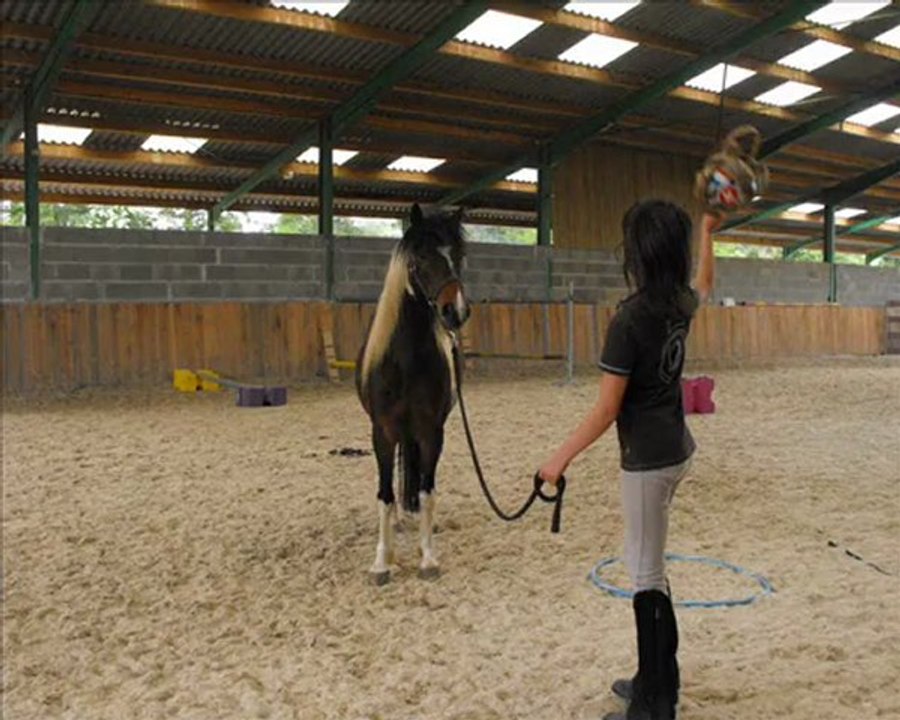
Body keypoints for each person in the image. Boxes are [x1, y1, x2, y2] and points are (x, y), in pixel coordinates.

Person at [538, 202, 721, 720]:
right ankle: (660, 677)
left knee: (645, 575)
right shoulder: (678, 302)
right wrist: (709, 232)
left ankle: (653, 704)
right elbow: (705, 282)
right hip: (676, 450)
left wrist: (558, 460)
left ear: (638, 253)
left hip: (646, 461)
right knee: (654, 567)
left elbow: (606, 408)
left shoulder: (631, 318)